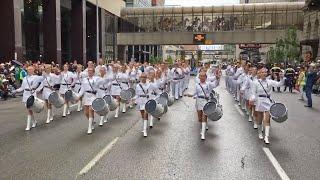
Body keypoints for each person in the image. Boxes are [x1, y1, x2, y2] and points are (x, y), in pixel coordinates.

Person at [249, 67, 285, 144]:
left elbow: (279, 84)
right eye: (262, 72)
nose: (264, 74)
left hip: (268, 101)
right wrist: (252, 99)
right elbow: (253, 93)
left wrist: (282, 78)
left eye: (265, 72)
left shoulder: (269, 81)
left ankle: (266, 137)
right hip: (259, 101)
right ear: (259, 73)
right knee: (259, 119)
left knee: (267, 119)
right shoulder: (255, 82)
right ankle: (260, 132)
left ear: (267, 73)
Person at [186, 70, 220, 140]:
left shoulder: (208, 84)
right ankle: (203, 127)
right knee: (200, 118)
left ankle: (203, 133)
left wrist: (217, 78)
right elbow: (194, 93)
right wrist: (189, 95)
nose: (202, 77)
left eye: (203, 76)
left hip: (206, 101)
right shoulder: (197, 85)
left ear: (205, 77)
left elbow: (215, 84)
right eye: (200, 76)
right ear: (199, 77)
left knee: (204, 116)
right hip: (198, 101)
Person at [13, 65, 44, 131]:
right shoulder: (24, 78)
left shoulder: (36, 77)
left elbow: (42, 81)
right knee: (29, 110)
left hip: (32, 94)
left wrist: (37, 89)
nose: (30, 71)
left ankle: (28, 126)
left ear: (33, 70)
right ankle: (34, 122)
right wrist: (16, 91)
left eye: (31, 69)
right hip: (25, 95)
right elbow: (22, 88)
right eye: (28, 69)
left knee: (30, 109)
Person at [135, 73, 158, 137]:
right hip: (140, 101)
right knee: (143, 116)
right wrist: (133, 100)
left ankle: (145, 130)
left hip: (147, 101)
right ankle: (144, 126)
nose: (143, 78)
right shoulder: (137, 85)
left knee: (145, 114)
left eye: (144, 77)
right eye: (142, 77)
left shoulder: (150, 84)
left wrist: (152, 79)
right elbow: (137, 94)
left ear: (146, 78)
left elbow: (156, 88)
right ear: (140, 78)